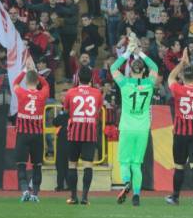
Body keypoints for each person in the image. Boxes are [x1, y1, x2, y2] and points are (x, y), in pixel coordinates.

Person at [111, 35, 160, 207]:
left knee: (125, 161)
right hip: (142, 128)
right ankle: (137, 195)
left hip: (126, 127)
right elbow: (155, 67)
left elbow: (113, 68)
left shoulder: (124, 83)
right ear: (143, 71)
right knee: (137, 164)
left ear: (131, 70)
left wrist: (127, 53)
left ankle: (126, 183)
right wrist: (141, 53)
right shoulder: (149, 83)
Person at [166, 48, 193, 206]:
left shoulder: (178, 89)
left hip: (180, 133)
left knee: (179, 166)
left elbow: (170, 77)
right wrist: (189, 64)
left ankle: (175, 197)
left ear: (183, 77)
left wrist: (181, 64)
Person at [62, 65, 103, 205]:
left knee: (72, 165)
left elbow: (66, 109)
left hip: (74, 133)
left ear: (78, 78)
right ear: (91, 78)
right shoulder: (97, 93)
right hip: (89, 133)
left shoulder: (70, 92)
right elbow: (97, 110)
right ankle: (85, 197)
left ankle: (73, 197)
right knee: (88, 166)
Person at [13, 57, 50, 202]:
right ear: (37, 82)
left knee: (21, 165)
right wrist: (35, 72)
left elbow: (15, 82)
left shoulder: (21, 92)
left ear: (26, 82)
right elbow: (46, 84)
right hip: (37, 136)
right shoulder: (43, 94)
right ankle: (35, 193)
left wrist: (25, 70)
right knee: (37, 166)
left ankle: (24, 190)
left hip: (23, 135)